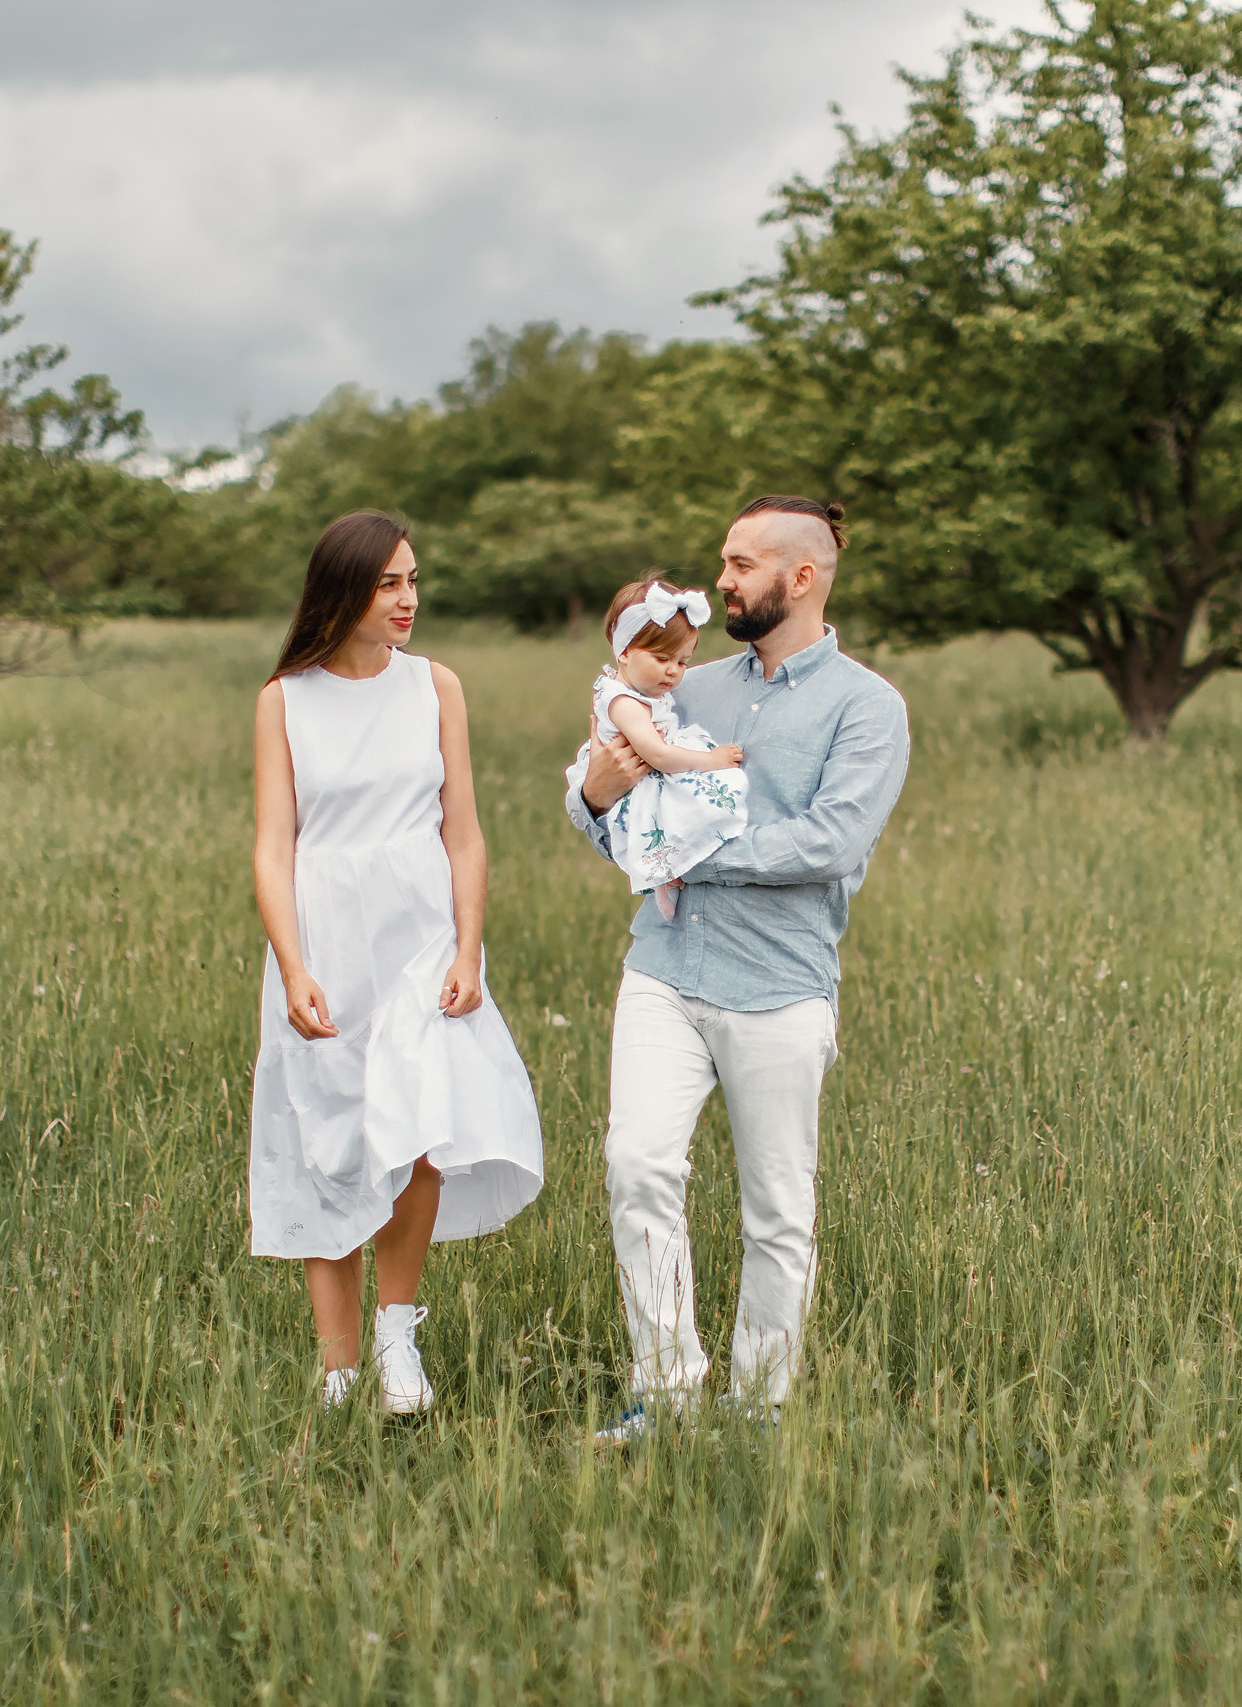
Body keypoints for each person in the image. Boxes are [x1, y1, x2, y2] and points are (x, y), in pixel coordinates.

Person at [563, 496, 911, 1439]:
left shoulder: (869, 708)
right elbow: (605, 799)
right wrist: (596, 795)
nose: (721, 580)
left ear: (800, 579)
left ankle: (755, 1414)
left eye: (742, 563)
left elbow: (829, 843)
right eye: (723, 559)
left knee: (778, 1210)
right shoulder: (688, 685)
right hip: (665, 970)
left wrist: (682, 852)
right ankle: (667, 1395)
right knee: (636, 1165)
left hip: (783, 986)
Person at [251, 509, 543, 1416]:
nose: (408, 598)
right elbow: (273, 847)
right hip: (325, 936)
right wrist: (293, 965)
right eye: (388, 583)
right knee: (328, 1142)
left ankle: (397, 1338)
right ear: (343, 590)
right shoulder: (284, 699)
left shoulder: (436, 688)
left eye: (414, 579)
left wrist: (468, 946)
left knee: (419, 1137)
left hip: (420, 935)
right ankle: (337, 1372)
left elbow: (463, 833)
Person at [588, 576, 748, 921]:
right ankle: (669, 872)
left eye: (683, 661)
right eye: (662, 658)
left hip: (656, 769)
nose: (674, 671)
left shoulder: (643, 693)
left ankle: (674, 870)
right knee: (686, 804)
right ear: (625, 651)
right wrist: (711, 760)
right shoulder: (625, 702)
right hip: (648, 776)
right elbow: (657, 755)